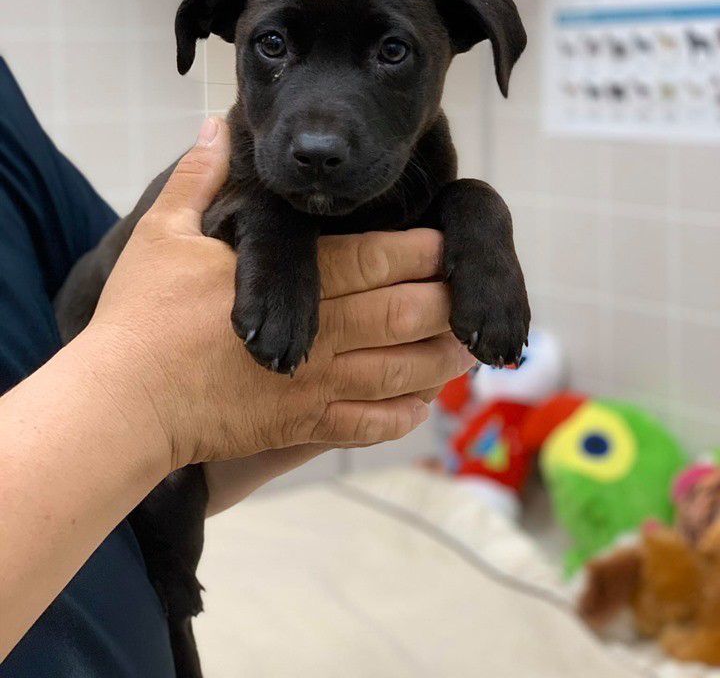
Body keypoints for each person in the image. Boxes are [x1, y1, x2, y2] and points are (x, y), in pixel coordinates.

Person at [0, 59, 471, 676]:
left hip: (141, 597)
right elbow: (139, 366)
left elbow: (119, 290)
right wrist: (150, 401)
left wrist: (229, 431)